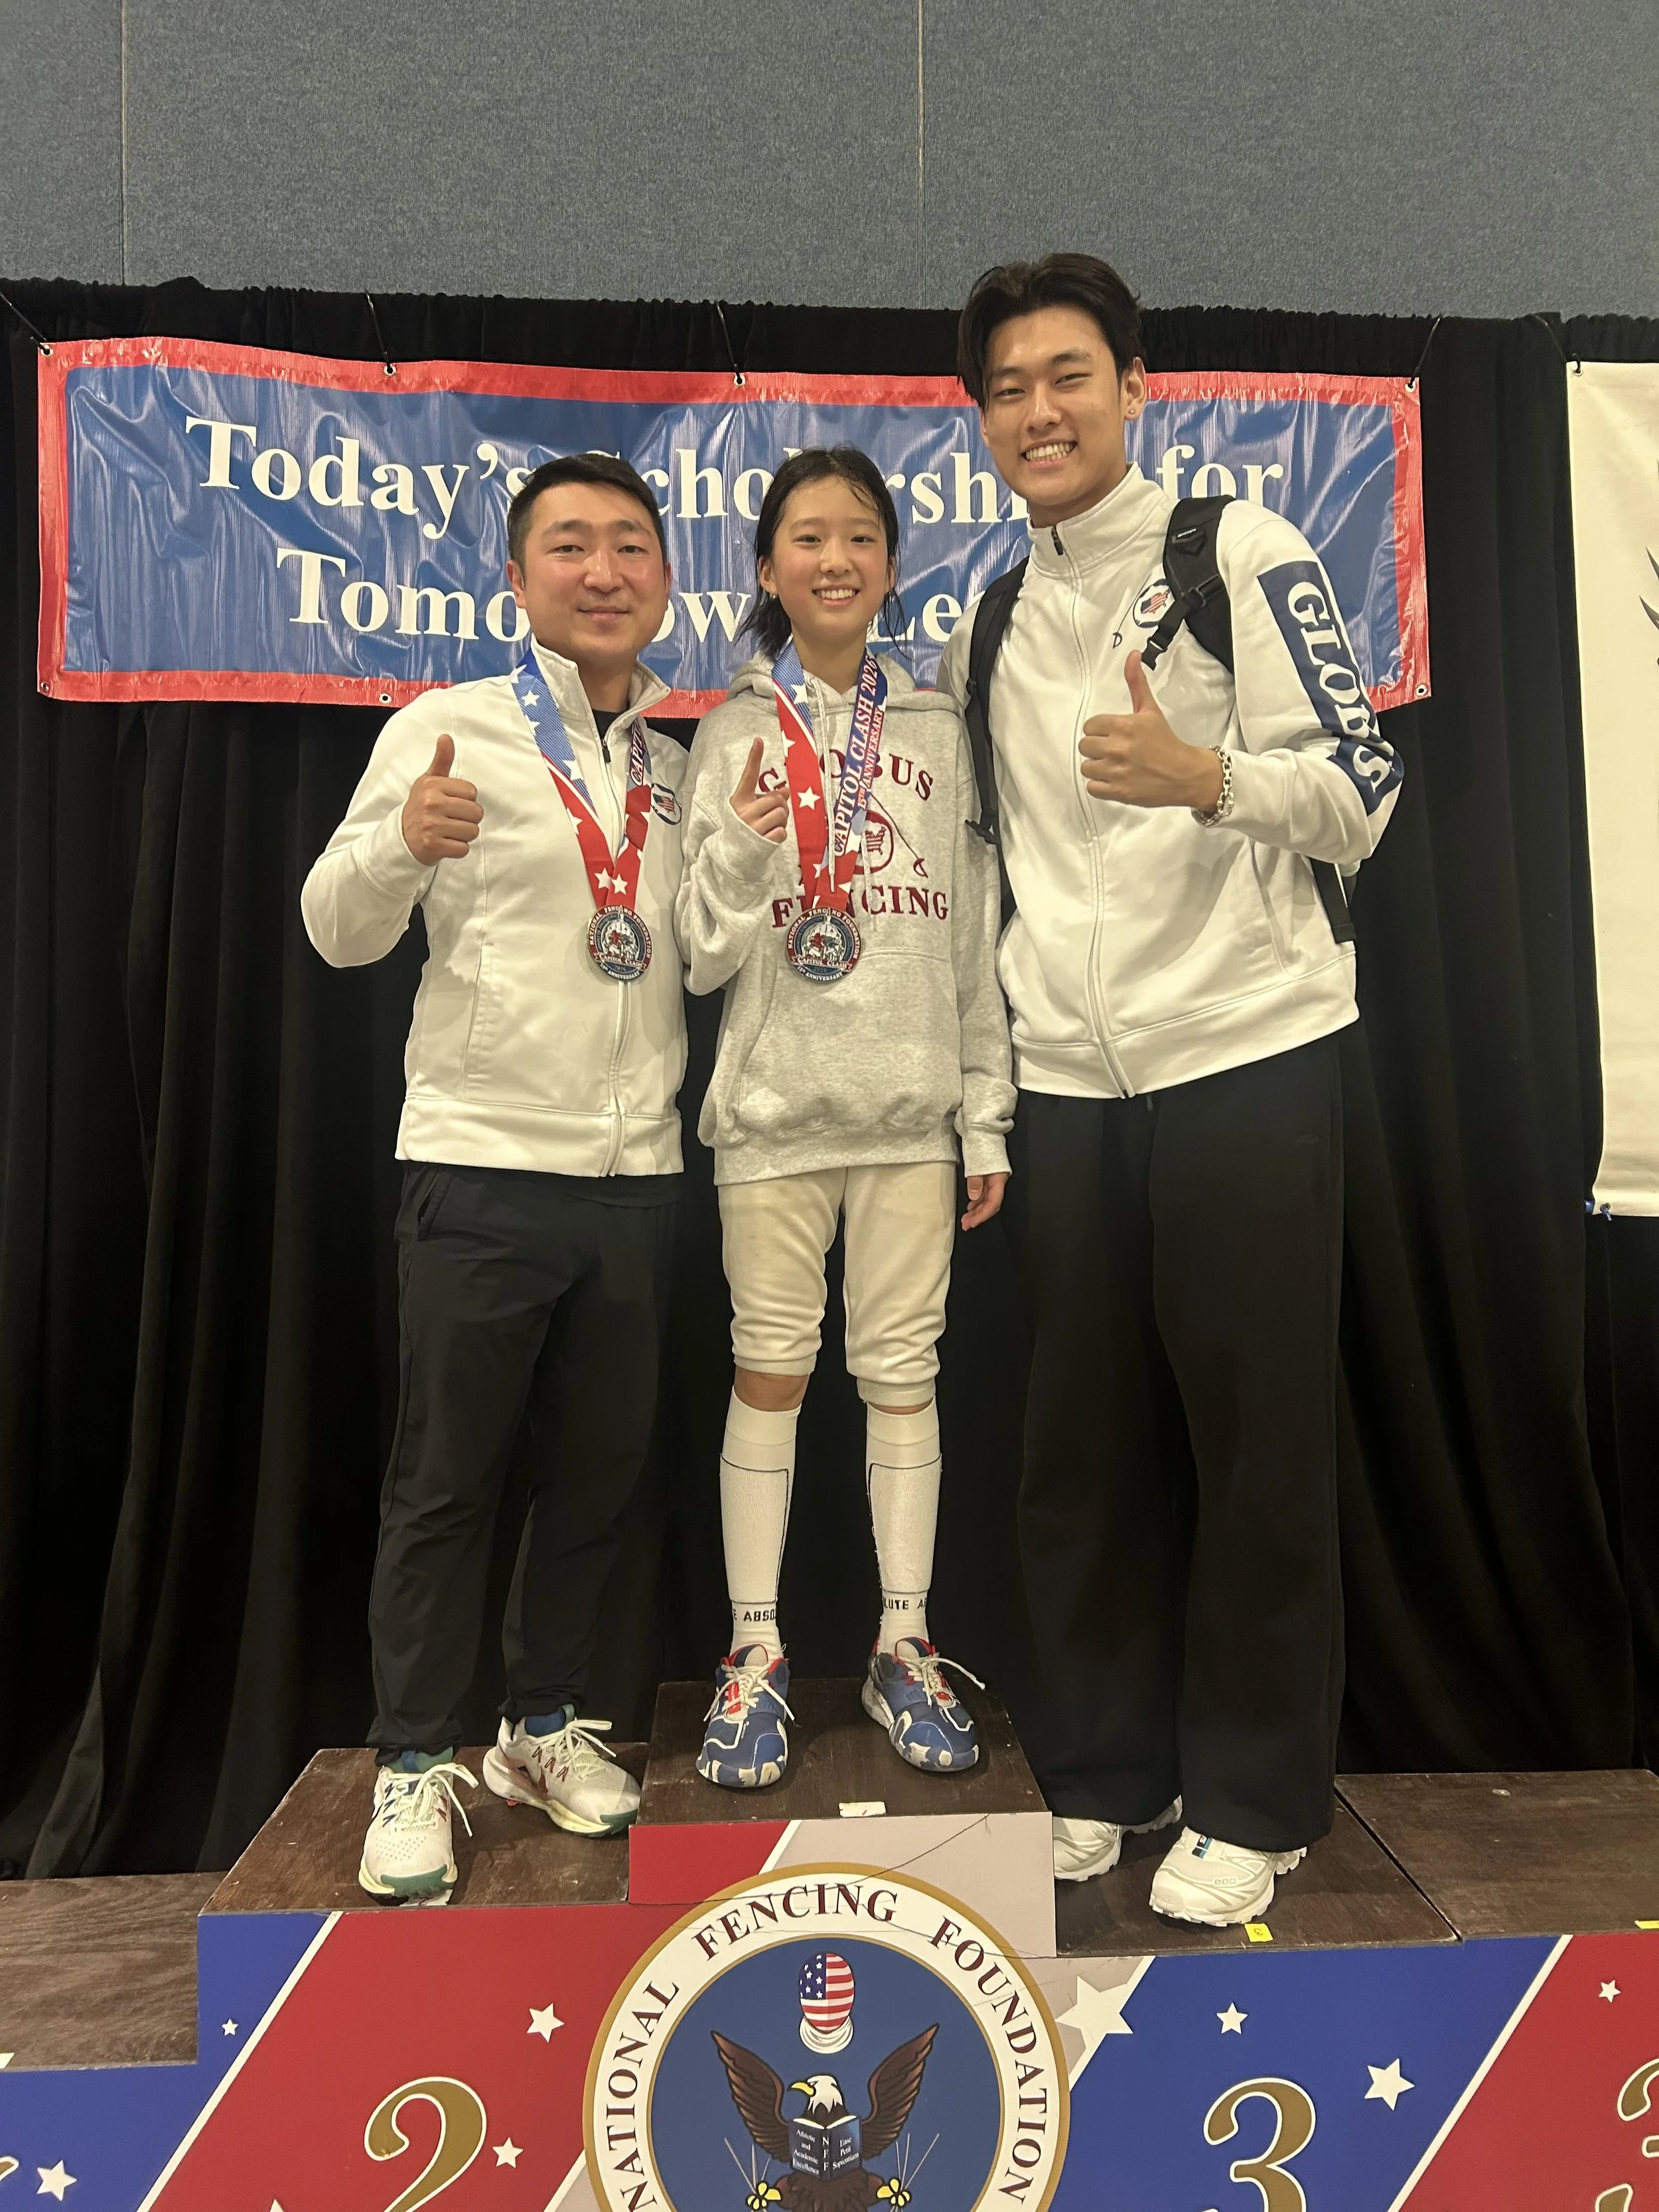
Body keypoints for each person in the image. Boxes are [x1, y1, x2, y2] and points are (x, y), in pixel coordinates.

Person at [940, 254, 1403, 1927]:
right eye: (1006, 386)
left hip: (1244, 1062)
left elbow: (1363, 788)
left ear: (1132, 387)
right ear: (977, 417)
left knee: (1255, 1445)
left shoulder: (1237, 554)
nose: (1038, 411)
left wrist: (1201, 776)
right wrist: (990, 1103)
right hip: (1068, 1090)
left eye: (1068, 374)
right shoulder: (992, 612)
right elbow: (992, 884)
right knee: (1077, 1454)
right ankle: (1105, 1772)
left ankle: (1257, 1794)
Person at [301, 453, 687, 1902]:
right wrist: (402, 846)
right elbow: (334, 927)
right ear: (517, 581)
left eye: (629, 546)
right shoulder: (445, 731)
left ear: (662, 580)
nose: (602, 571)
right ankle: (414, 1759)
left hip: (638, 1173)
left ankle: (541, 1727)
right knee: (446, 1483)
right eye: (570, 547)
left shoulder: (672, 758)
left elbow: (687, 955)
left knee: (598, 1482)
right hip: (477, 1162)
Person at [676, 447, 1014, 1789]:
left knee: (902, 1377)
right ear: (766, 568)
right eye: (806, 537)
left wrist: (980, 1118)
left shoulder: (936, 732)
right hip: (771, 1115)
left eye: (858, 536)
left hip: (909, 1117)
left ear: (889, 563)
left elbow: (978, 941)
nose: (833, 558)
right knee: (770, 1366)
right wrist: (751, 849)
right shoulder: (727, 733)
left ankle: (899, 1642)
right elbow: (696, 955)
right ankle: (753, 1653)